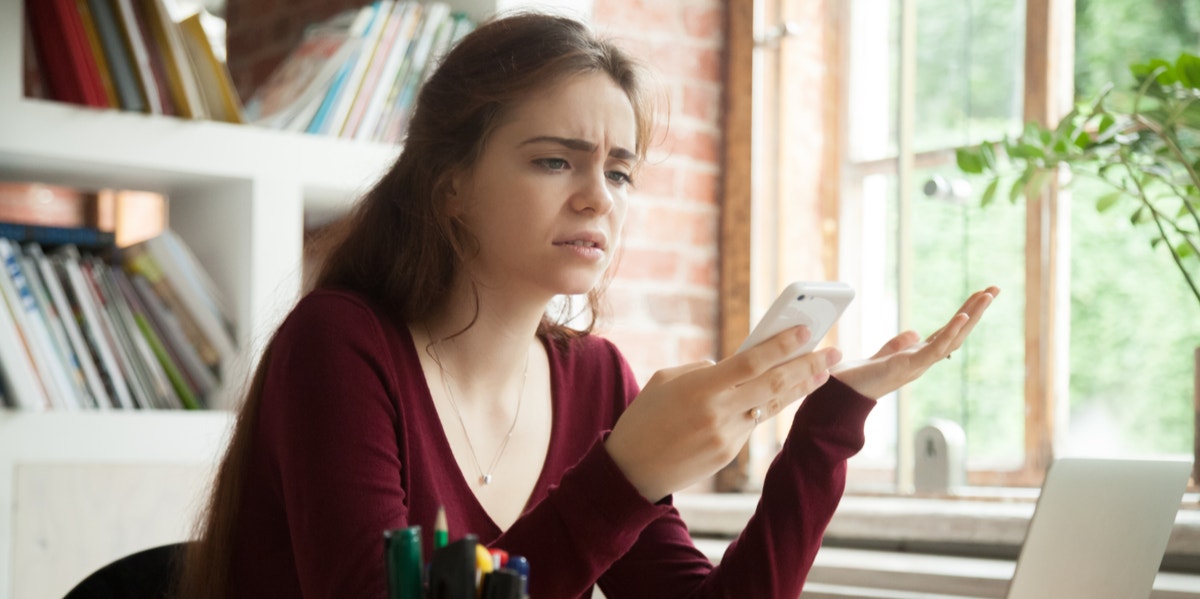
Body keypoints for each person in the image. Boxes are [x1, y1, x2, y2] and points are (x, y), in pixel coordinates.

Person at [175, 11, 998, 599]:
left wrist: (828, 424)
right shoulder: (340, 344)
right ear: (450, 183)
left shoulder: (596, 377)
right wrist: (626, 475)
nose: (598, 198)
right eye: (554, 162)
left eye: (620, 171)